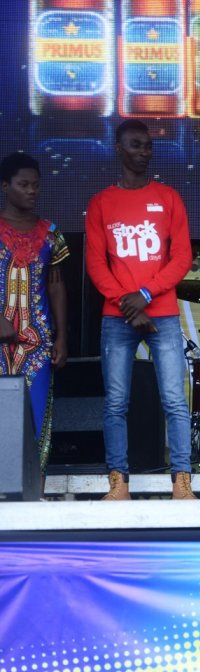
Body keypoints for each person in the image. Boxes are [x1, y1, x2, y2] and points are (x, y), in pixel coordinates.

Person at [85, 119, 196, 500]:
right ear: (118, 148)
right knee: (116, 402)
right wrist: (129, 305)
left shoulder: (168, 198)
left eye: (148, 146)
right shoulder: (101, 203)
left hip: (162, 313)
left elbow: (182, 257)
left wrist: (146, 294)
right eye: (136, 145)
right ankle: (119, 483)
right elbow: (96, 264)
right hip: (118, 317)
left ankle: (182, 481)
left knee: (174, 400)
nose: (144, 152)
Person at [0, 152, 68, 487]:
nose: (31, 191)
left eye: (36, 186)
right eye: (23, 184)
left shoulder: (51, 234)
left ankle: (34, 493)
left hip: (36, 345)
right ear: (5, 186)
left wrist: (62, 337)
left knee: (37, 418)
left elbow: (55, 286)